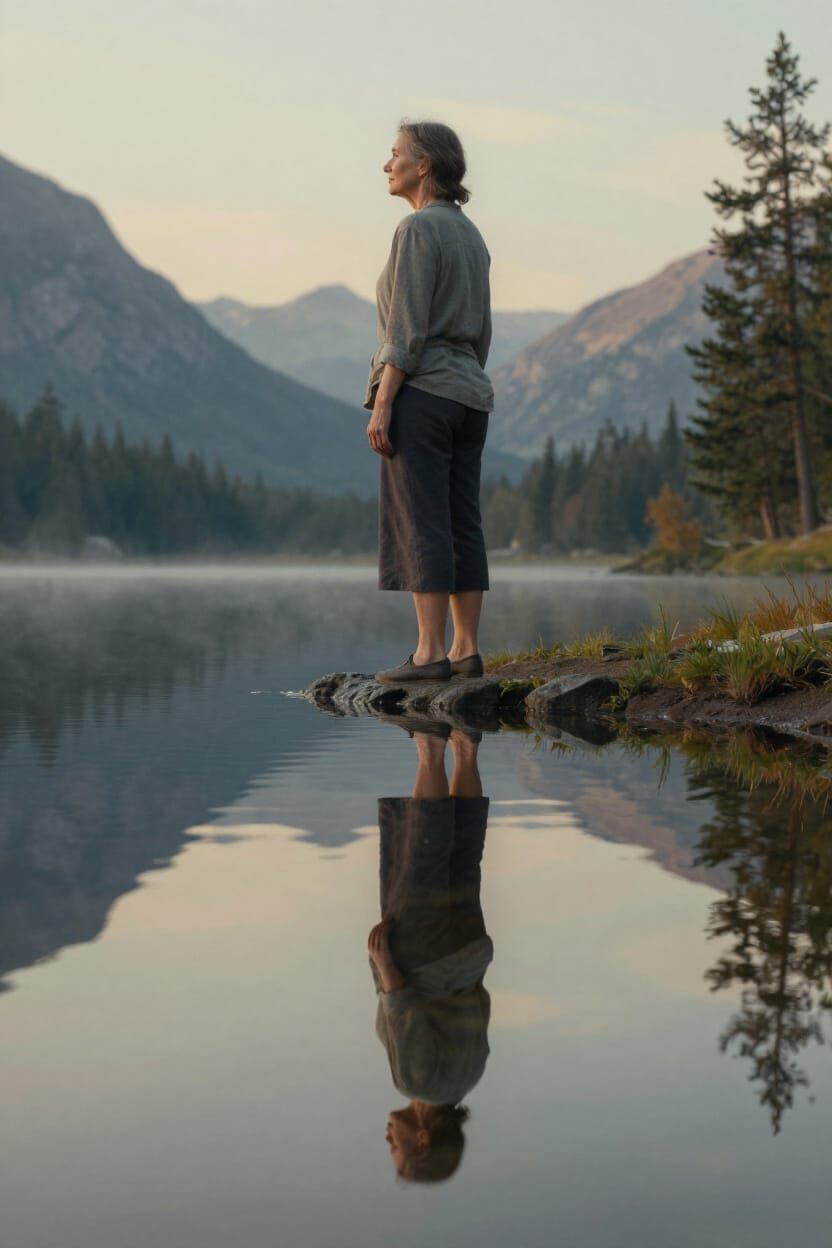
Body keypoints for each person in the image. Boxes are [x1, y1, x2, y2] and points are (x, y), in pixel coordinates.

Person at [364, 120, 494, 685]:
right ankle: (465, 650)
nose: (386, 165)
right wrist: (464, 378)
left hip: (423, 390)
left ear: (425, 166)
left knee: (422, 522)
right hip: (470, 395)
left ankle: (427, 654)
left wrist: (383, 401)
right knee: (463, 518)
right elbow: (483, 331)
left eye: (395, 156)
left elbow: (405, 327)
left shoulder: (417, 230)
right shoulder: (472, 236)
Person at [367, 720, 492, 1183]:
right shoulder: (416, 1083)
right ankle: (430, 746)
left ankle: (466, 746)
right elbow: (406, 1015)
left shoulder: (468, 1079)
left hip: (470, 952)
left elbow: (482, 1007)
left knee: (463, 858)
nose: (387, 1140)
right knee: (421, 855)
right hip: (420, 957)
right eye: (395, 1151)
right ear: (422, 1139)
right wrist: (385, 965)